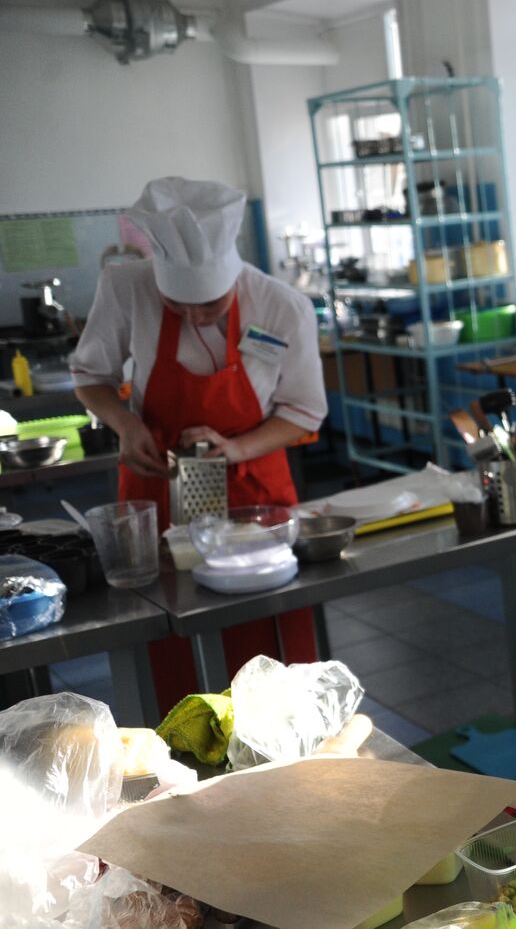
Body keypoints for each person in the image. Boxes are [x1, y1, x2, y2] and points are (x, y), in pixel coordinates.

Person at [71, 177, 328, 712]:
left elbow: (304, 411)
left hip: (254, 489)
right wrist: (126, 424)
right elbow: (90, 375)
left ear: (232, 278)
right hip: (159, 485)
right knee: (173, 636)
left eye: (209, 306)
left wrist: (233, 449)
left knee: (271, 644)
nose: (194, 318)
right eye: (178, 306)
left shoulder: (281, 306)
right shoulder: (125, 288)